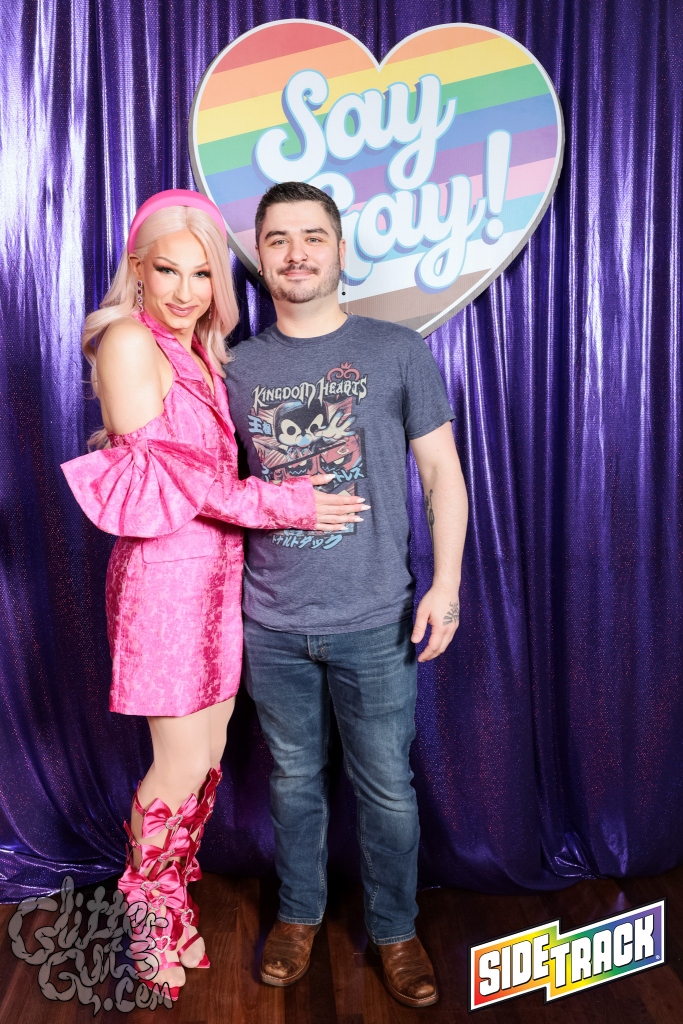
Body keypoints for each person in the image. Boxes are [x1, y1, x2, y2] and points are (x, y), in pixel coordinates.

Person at [61, 189, 364, 1001]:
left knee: (204, 764)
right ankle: (147, 919)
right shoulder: (129, 339)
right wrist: (291, 503)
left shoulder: (200, 350)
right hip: (164, 583)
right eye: (169, 270)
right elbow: (176, 478)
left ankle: (171, 904)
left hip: (219, 580)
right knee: (177, 762)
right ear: (138, 268)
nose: (186, 290)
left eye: (202, 274)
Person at [225, 181, 469, 1009]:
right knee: (293, 780)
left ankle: (395, 930)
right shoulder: (235, 368)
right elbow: (210, 489)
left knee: (386, 788)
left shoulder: (394, 351)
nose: (296, 253)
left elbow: (441, 474)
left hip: (373, 618)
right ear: (260, 256)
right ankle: (298, 916)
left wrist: (446, 584)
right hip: (270, 621)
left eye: (312, 237)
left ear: (338, 249)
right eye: (278, 239)